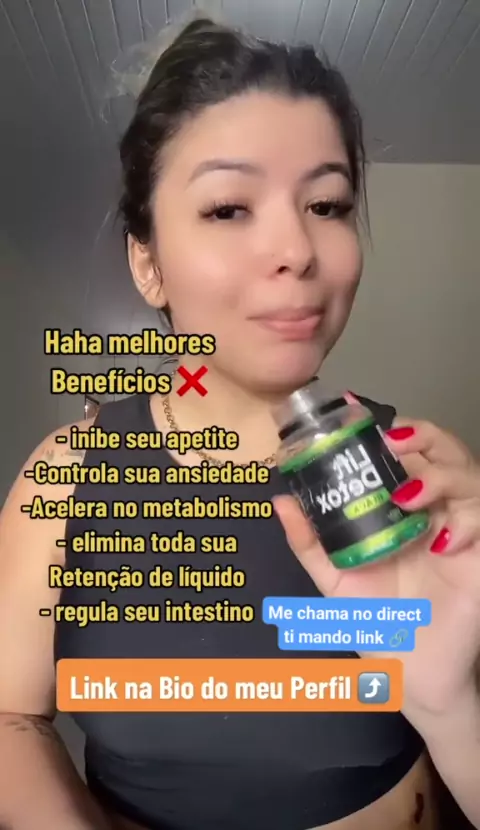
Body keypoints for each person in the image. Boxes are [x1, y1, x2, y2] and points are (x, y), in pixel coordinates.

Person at [0, 16, 479, 830]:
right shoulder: (70, 477)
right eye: (227, 208)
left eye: (326, 203)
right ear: (148, 263)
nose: (297, 248)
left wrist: (452, 703)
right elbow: (11, 718)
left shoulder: (412, 474)